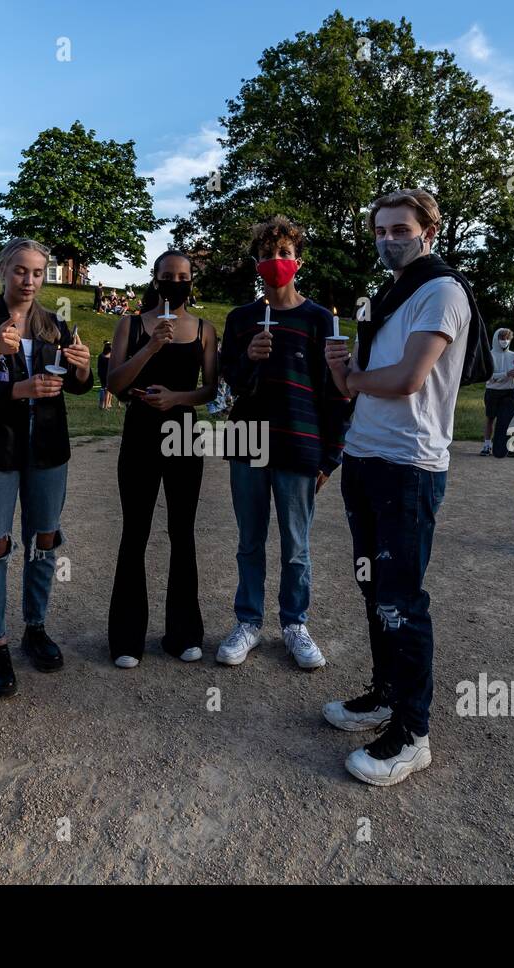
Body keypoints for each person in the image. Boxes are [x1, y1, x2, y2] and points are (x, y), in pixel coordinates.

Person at [321, 188, 482, 787]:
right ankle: (386, 695)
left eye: (400, 229)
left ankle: (413, 734)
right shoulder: (387, 294)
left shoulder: (441, 289)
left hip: (408, 464)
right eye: (381, 231)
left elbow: (410, 378)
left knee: (401, 599)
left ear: (428, 232)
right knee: (374, 588)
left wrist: (356, 378)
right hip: (365, 455)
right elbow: (359, 385)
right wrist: (345, 374)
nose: (389, 239)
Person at [0, 238, 93, 698]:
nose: (30, 280)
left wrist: (82, 368)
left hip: (48, 449)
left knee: (44, 539)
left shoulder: (56, 324)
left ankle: (35, 626)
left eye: (38, 272)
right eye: (20, 271)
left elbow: (76, 387)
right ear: (3, 271)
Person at [216, 215, 353, 669]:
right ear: (256, 262)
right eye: (268, 255)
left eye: (284, 254)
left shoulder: (318, 320)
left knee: (296, 545)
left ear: (298, 261)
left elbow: (335, 395)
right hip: (246, 441)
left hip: (299, 446)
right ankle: (249, 621)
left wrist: (330, 457)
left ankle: (295, 623)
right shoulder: (241, 320)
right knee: (249, 541)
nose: (276, 262)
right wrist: (249, 360)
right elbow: (227, 384)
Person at [106, 250, 218, 668]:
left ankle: (184, 633)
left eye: (183, 276)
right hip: (139, 432)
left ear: (191, 281)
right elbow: (115, 383)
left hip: (184, 433)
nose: (175, 281)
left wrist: (177, 398)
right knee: (134, 531)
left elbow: (212, 390)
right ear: (155, 279)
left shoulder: (205, 329)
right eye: (168, 275)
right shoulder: (130, 324)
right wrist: (151, 347)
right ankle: (126, 638)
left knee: (182, 530)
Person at [481, 326, 514, 456]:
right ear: (496, 339)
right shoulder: (490, 355)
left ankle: (513, 446)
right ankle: (487, 445)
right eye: (502, 338)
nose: (505, 341)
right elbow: (489, 378)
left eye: (508, 338)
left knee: (513, 419)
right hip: (493, 391)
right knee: (490, 418)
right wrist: (506, 374)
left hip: (510, 391)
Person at [97, 341, 113, 409]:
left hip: (101, 374)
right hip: (108, 375)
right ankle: (106, 406)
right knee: (108, 391)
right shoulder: (110, 357)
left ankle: (101, 404)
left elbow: (98, 366)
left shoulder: (100, 355)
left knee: (102, 389)